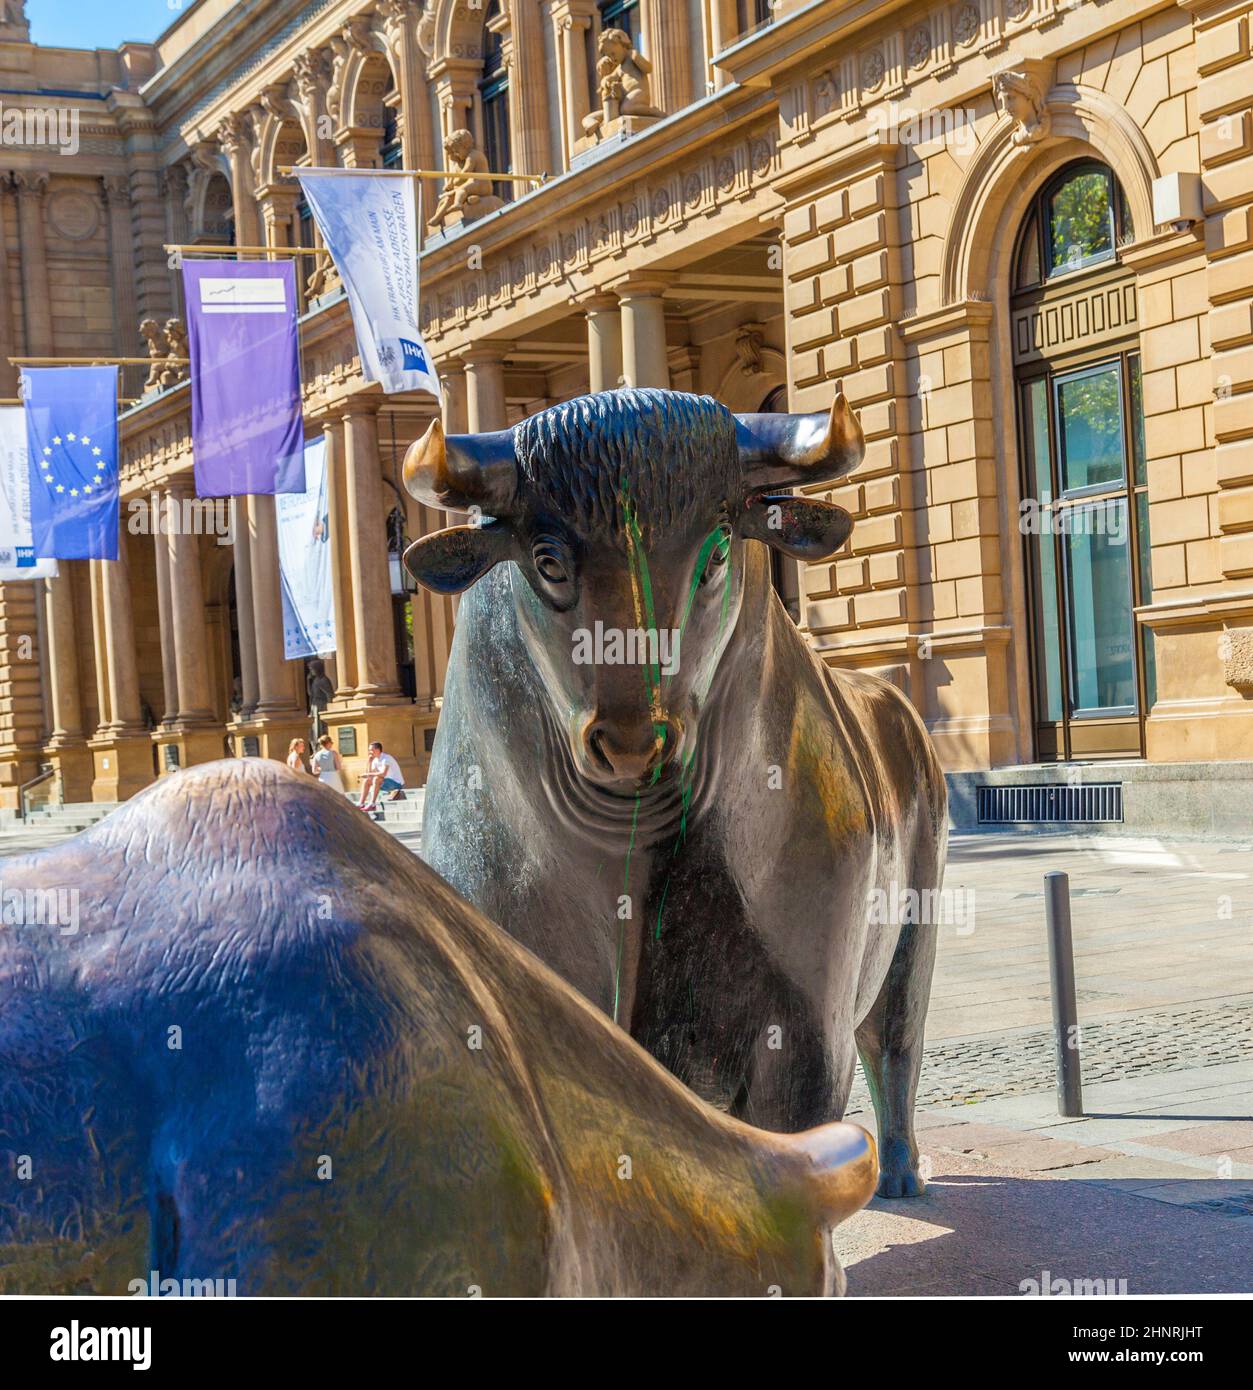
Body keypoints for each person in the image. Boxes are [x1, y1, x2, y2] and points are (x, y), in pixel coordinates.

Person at [359, 741, 405, 812]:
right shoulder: (375, 760)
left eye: (371, 750)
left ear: (377, 750)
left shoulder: (386, 758)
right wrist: (369, 762)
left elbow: (383, 774)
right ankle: (361, 803)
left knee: (377, 779)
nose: (370, 752)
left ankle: (372, 804)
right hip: (385, 783)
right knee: (367, 780)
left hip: (396, 784)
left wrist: (369, 775)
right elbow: (370, 775)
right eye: (369, 750)